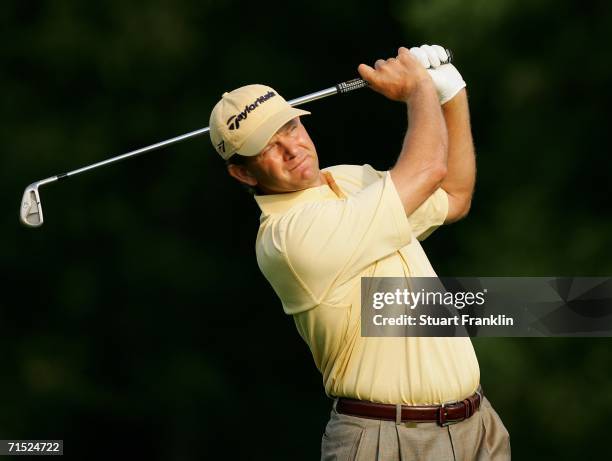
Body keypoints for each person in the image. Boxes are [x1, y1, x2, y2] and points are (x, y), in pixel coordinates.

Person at [209, 45, 511, 460]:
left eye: (291, 128)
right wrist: (419, 90)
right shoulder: (288, 239)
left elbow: (453, 195)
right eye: (267, 147)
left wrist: (451, 94)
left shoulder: (348, 180)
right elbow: (426, 170)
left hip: (478, 427)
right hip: (386, 439)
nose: (292, 148)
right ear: (242, 172)